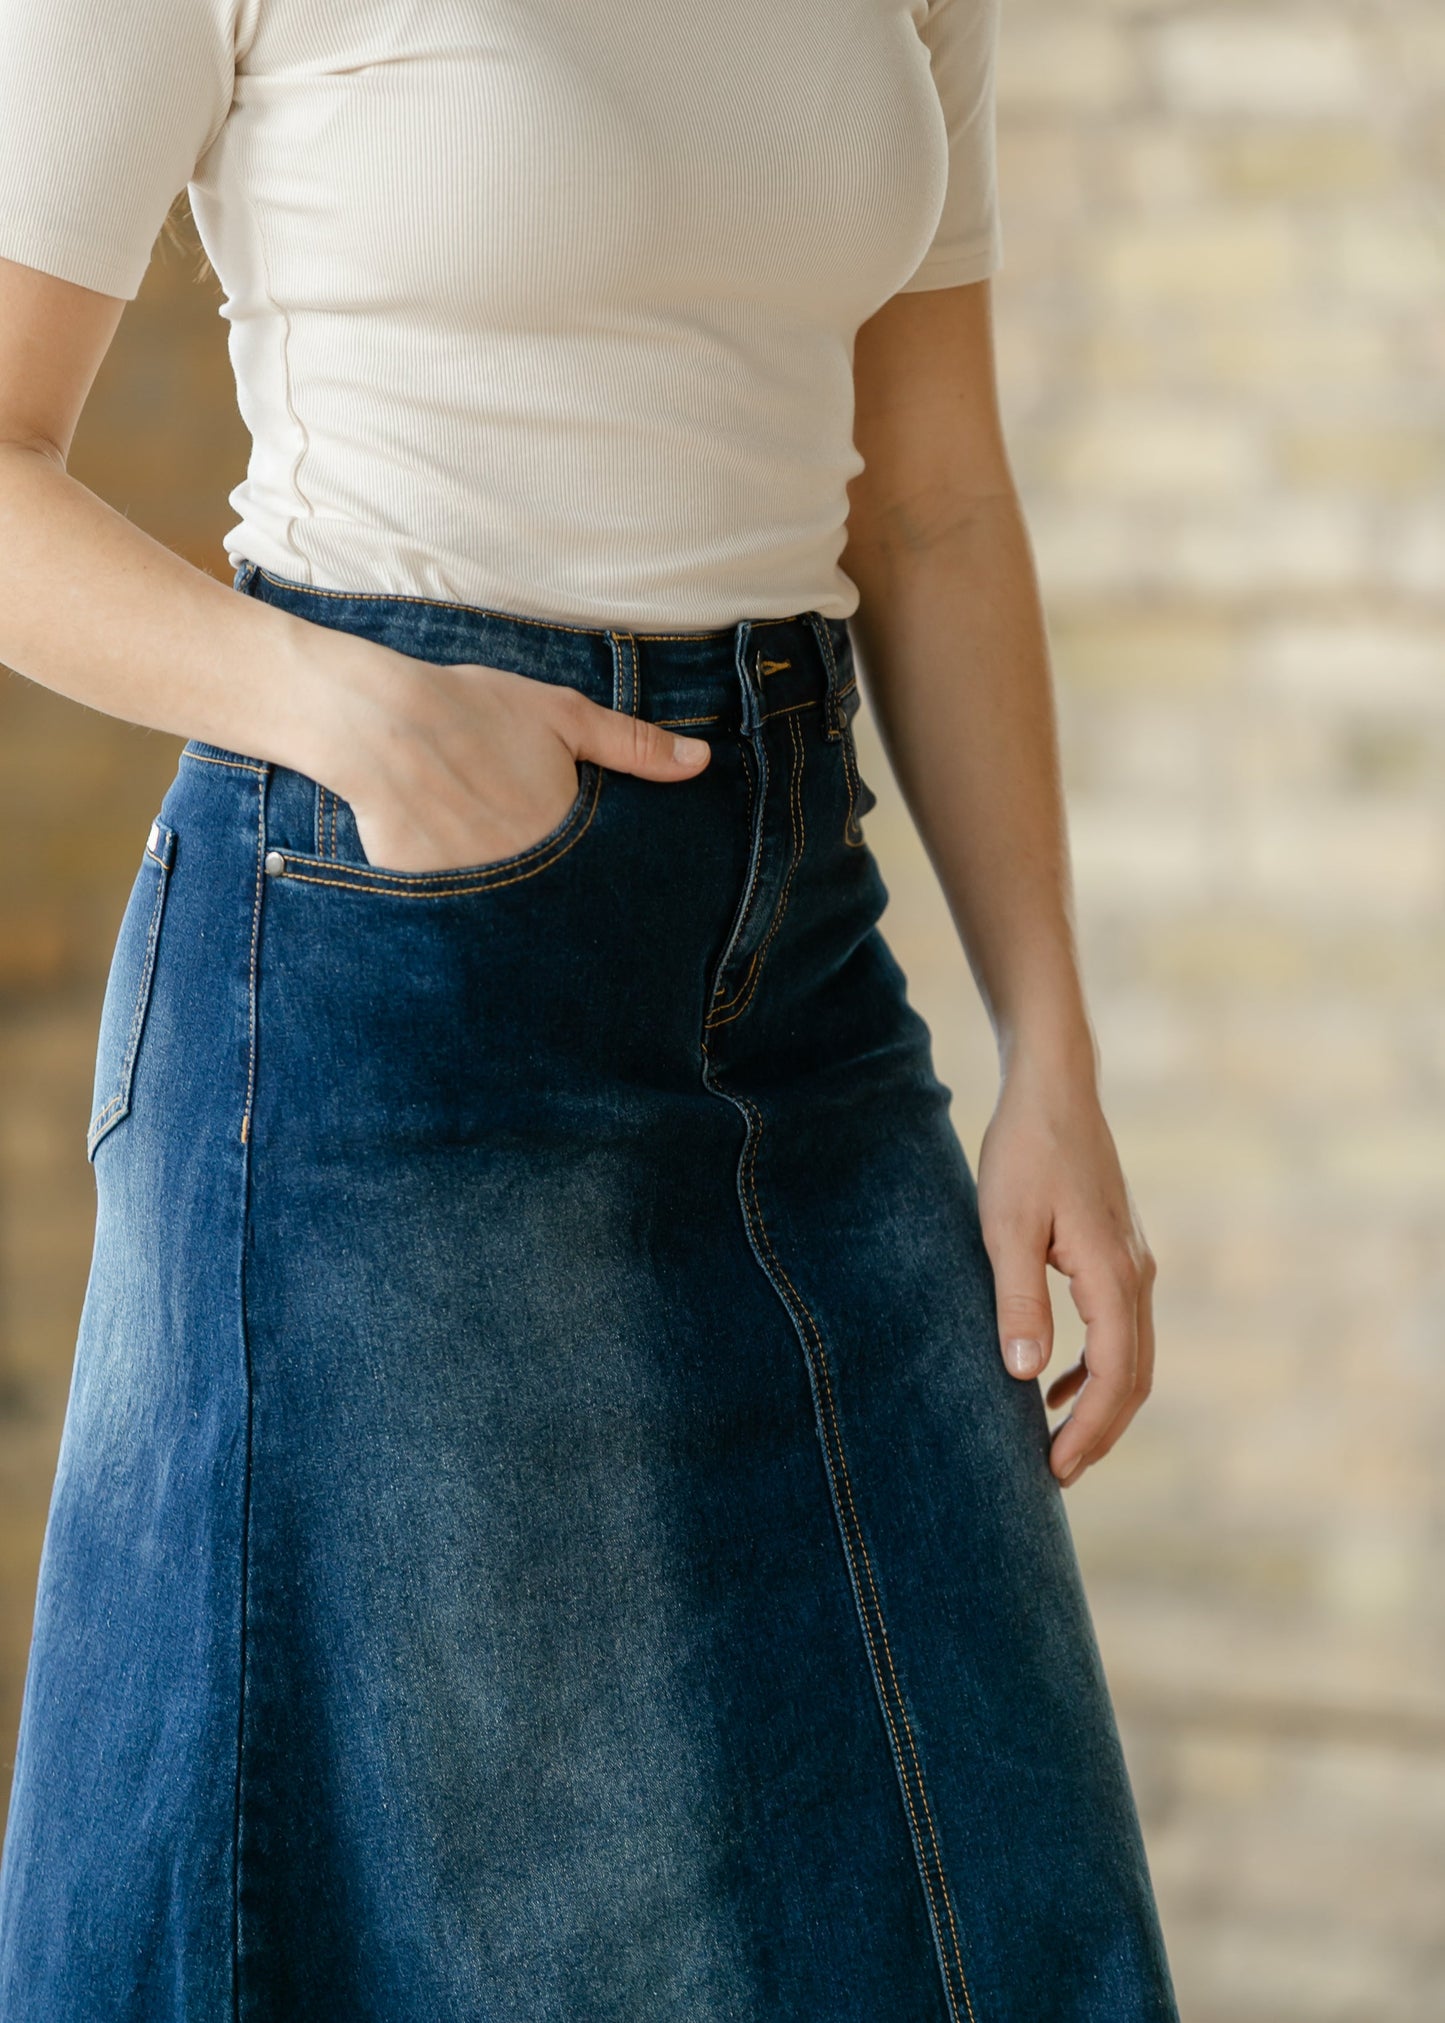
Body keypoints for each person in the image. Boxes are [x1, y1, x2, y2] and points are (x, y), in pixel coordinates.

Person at [0, 0, 1179, 2016]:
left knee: (979, 1890)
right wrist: (345, 701)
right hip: (394, 975)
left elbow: (935, 501)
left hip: (800, 955)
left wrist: (1050, 1046)